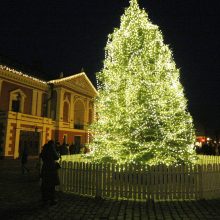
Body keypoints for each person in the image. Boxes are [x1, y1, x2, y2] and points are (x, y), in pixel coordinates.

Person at [40, 140, 60, 206]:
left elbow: (41, 156)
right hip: (51, 168)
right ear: (52, 144)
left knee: (45, 184)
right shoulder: (52, 148)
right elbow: (56, 157)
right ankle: (52, 199)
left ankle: (45, 199)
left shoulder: (44, 149)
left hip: (45, 167)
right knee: (51, 185)